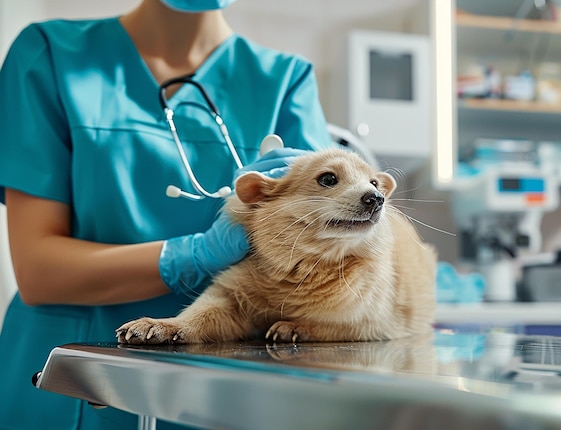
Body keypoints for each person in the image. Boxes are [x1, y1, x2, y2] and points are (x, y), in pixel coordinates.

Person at [0, 0, 336, 428]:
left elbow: (318, 265)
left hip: (219, 387)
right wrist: (194, 255)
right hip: (72, 381)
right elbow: (37, 271)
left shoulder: (285, 81)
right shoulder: (50, 55)